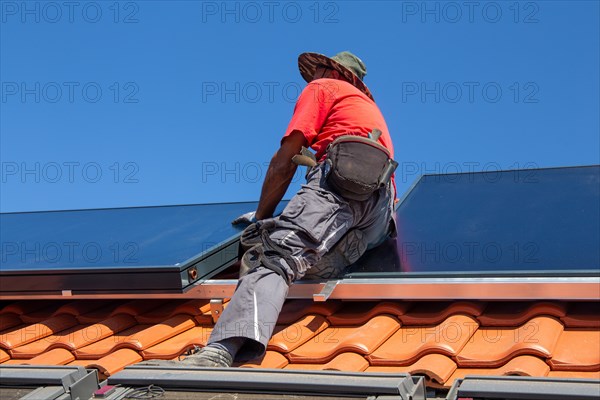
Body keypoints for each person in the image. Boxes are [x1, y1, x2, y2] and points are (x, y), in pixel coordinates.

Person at [147, 51, 396, 368]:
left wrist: (263, 215)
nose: (312, 76)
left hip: (342, 183)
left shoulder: (323, 88)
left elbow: (287, 158)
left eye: (317, 70)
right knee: (306, 260)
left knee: (274, 255)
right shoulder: (366, 108)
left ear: (328, 70)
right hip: (379, 215)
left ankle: (222, 350)